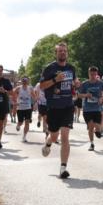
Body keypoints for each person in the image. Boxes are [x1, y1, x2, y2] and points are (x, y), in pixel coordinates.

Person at [39, 42, 77, 178]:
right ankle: (48, 143)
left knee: (65, 137)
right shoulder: (49, 68)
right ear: (56, 53)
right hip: (53, 107)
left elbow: (73, 83)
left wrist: (75, 84)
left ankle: (63, 168)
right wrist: (55, 79)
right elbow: (42, 86)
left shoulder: (71, 68)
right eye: (60, 51)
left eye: (64, 51)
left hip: (67, 106)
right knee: (54, 136)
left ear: (67, 53)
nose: (62, 53)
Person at [77, 67, 103, 151]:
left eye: (94, 74)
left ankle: (97, 131)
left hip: (97, 108)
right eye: (91, 74)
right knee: (90, 126)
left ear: (97, 74)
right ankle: (92, 144)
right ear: (88, 74)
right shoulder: (85, 84)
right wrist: (86, 95)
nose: (93, 76)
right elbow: (78, 95)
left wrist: (102, 98)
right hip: (87, 109)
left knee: (97, 127)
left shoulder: (101, 83)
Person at [14, 76, 36, 142]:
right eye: (23, 80)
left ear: (28, 81)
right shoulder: (18, 88)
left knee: (27, 122)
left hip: (28, 108)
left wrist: (35, 104)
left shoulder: (30, 88)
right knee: (20, 122)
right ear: (21, 81)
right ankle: (18, 125)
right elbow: (13, 94)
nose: (24, 82)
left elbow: (34, 96)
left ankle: (24, 136)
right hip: (20, 108)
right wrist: (15, 102)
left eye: (26, 80)